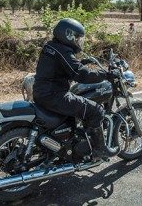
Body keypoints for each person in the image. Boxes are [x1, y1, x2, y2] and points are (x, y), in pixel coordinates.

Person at [33, 18, 118, 159]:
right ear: (68, 35)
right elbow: (81, 74)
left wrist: (80, 62)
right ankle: (100, 150)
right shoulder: (63, 50)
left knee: (77, 108)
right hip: (55, 96)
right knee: (96, 110)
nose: (79, 41)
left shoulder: (50, 46)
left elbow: (61, 67)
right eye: (77, 37)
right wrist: (106, 74)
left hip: (42, 93)